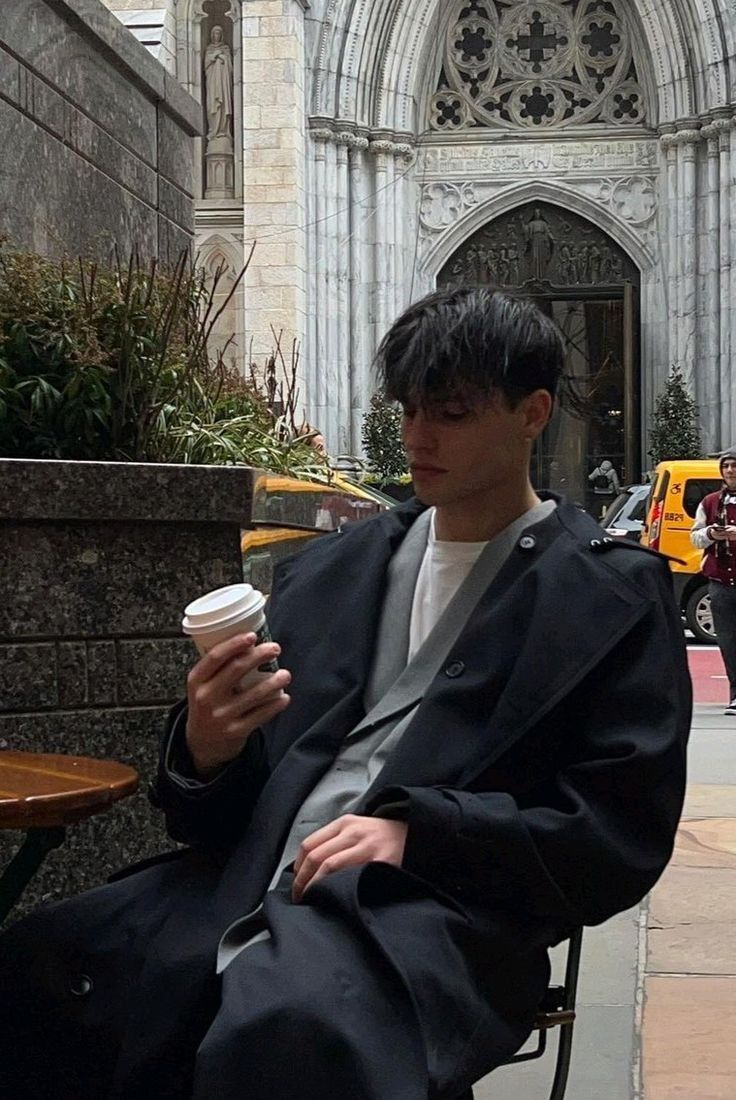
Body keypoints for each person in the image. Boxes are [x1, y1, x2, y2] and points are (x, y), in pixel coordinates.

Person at [0, 288, 691, 1100]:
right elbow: (214, 815)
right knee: (40, 966)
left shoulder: (608, 597)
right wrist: (208, 748)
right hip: (241, 881)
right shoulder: (334, 568)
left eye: (452, 413)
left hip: (431, 912)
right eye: (409, 409)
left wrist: (421, 836)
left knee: (287, 1031)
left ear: (533, 413)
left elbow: (616, 839)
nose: (418, 437)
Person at [691, 448, 736, 715]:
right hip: (720, 581)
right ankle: (735, 694)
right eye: (726, 466)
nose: (730, 470)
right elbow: (695, 537)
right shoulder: (710, 502)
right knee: (728, 641)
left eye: (734, 465)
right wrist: (710, 533)